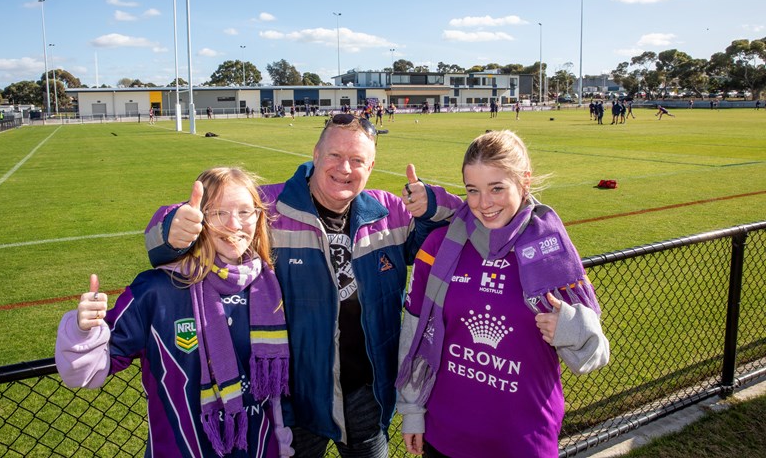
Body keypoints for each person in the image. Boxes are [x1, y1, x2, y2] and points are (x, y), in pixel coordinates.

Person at [144, 114, 462, 458]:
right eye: (334, 156)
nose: (345, 168)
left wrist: (433, 204)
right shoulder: (271, 206)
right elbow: (199, 219)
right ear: (315, 153)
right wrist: (171, 228)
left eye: (357, 160)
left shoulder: (390, 212)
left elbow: (461, 223)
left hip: (367, 395)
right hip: (292, 398)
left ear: (371, 166)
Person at [396, 130, 610, 458]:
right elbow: (415, 331)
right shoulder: (441, 245)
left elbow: (594, 355)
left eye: (497, 188)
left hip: (523, 441)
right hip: (445, 436)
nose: (484, 204)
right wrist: (411, 410)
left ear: (524, 181)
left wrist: (569, 327)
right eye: (473, 191)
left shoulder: (549, 252)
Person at [56, 167, 293, 457]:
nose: (234, 224)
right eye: (219, 213)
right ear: (198, 220)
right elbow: (86, 373)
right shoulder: (156, 290)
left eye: (245, 212)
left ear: (259, 217)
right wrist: (83, 330)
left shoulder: (268, 286)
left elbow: (273, 397)